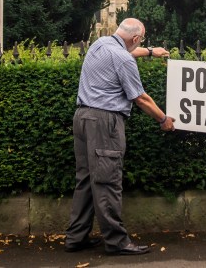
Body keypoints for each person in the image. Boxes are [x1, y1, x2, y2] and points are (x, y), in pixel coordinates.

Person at [64, 18, 174, 255]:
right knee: (107, 182)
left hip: (82, 118)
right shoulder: (124, 59)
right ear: (135, 38)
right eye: (141, 40)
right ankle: (116, 242)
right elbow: (141, 98)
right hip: (105, 123)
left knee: (85, 180)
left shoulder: (100, 44)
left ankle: (76, 237)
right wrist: (163, 119)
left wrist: (151, 52)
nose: (140, 44)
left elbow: (126, 52)